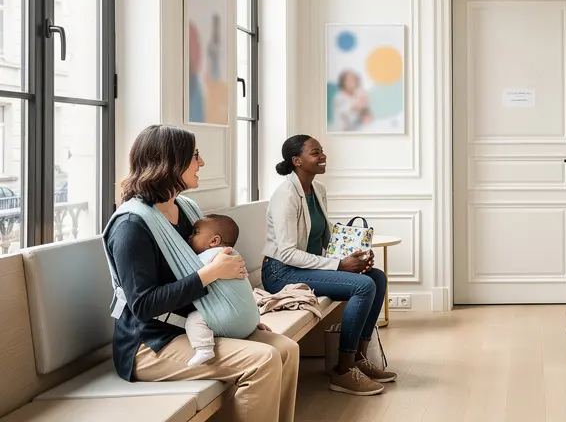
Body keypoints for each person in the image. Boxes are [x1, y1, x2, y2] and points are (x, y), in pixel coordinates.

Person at [104, 124, 298, 422]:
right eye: (195, 155)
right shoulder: (132, 226)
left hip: (194, 328)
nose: (202, 162)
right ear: (170, 162)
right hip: (149, 345)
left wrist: (239, 321)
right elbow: (143, 305)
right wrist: (209, 273)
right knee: (263, 360)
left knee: (286, 349)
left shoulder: (187, 211)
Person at [263, 135, 396, 396]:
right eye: (315, 153)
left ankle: (358, 358)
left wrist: (354, 257)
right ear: (297, 161)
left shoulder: (318, 190)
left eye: (322, 151)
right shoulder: (285, 196)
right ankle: (343, 371)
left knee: (376, 277)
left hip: (307, 268)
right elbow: (288, 253)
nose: (322, 156)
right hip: (281, 271)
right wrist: (339, 265)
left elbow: (326, 237)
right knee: (363, 287)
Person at [184, 214, 249, 367]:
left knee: (194, 320)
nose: (189, 236)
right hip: (249, 320)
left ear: (214, 241)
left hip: (231, 322)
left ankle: (204, 349)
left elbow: (190, 275)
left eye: (196, 232)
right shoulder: (234, 254)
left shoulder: (210, 257)